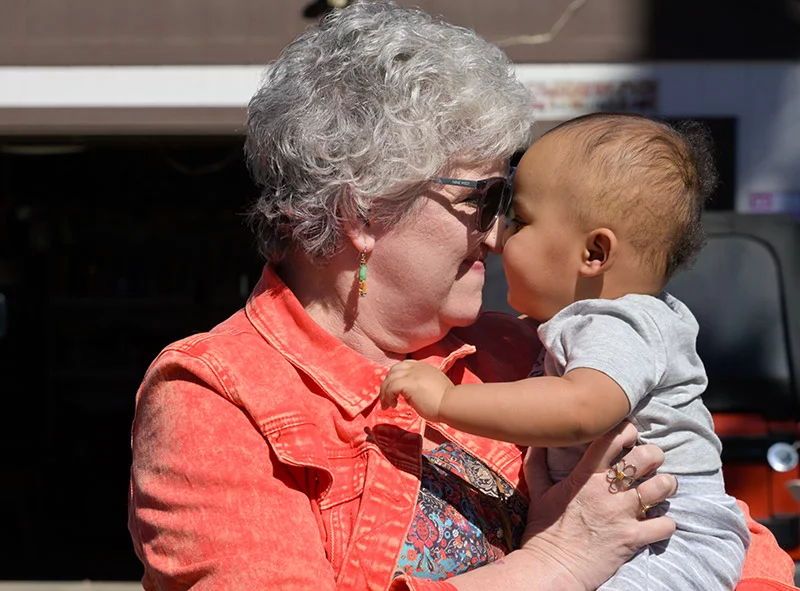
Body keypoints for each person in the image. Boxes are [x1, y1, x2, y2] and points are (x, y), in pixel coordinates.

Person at [127, 2, 796, 590]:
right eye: (484, 198)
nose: (499, 233)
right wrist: (556, 563)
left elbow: (733, 539)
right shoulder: (217, 392)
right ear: (362, 214)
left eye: (508, 201)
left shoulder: (519, 349)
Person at [379, 113, 750, 589]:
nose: (499, 236)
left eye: (521, 219)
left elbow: (581, 408)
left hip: (671, 538)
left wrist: (446, 402)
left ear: (594, 254)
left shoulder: (619, 324)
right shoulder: (600, 324)